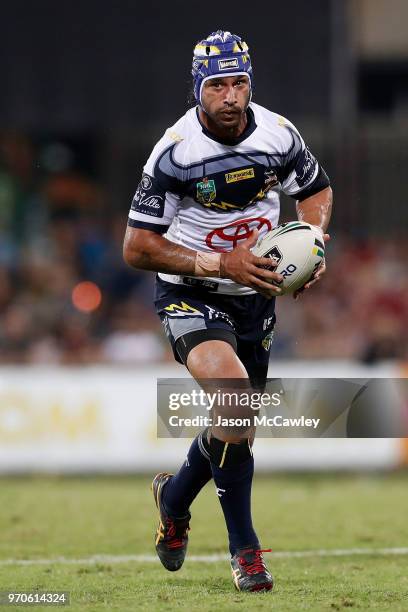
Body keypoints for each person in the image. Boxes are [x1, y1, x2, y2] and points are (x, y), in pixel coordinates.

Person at [123, 30, 332, 593]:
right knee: (235, 398)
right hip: (192, 289)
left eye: (239, 82)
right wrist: (221, 263)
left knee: (236, 426)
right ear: (199, 90)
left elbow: (315, 189)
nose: (231, 95)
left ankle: (173, 499)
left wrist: (310, 246)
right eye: (217, 85)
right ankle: (246, 552)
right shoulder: (175, 152)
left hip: (256, 293)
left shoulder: (279, 134)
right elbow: (137, 247)